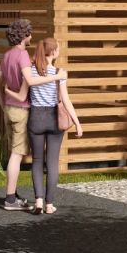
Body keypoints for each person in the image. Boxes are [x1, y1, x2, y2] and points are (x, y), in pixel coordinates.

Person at [0, 19, 65, 211]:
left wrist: (3, 105)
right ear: (24, 36)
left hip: (9, 108)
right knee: (17, 154)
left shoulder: (6, 55)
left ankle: (13, 194)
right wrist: (57, 76)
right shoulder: (22, 55)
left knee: (14, 152)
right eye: (29, 33)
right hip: (22, 109)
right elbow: (31, 81)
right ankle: (10, 200)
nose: (31, 36)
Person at [17, 37, 83, 215]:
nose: (59, 51)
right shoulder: (59, 73)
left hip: (36, 117)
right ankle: (49, 204)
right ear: (53, 52)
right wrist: (77, 123)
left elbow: (23, 96)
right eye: (58, 49)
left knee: (37, 161)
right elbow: (66, 101)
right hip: (54, 119)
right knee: (52, 162)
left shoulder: (30, 71)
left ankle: (38, 201)